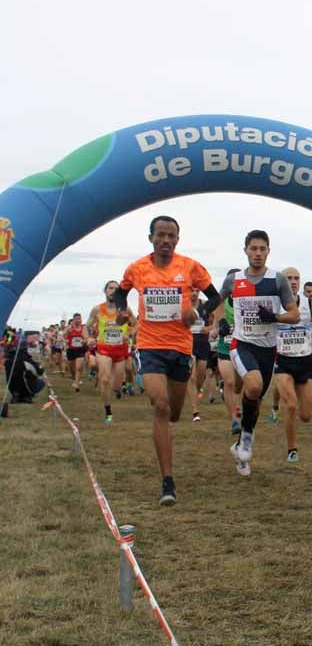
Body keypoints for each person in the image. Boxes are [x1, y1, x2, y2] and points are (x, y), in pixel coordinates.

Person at [114, 215, 219, 506]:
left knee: (173, 412)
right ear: (151, 238)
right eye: (160, 235)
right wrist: (122, 312)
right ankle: (167, 481)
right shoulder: (137, 268)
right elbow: (121, 295)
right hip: (149, 347)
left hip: (181, 348)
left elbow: (215, 296)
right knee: (160, 406)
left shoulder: (189, 267)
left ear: (177, 240)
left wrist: (196, 314)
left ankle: (169, 430)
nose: (166, 241)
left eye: (171, 236)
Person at [217, 229, 298, 476]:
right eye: (254, 248)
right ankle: (247, 438)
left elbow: (294, 315)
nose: (258, 253)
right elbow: (218, 302)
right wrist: (219, 321)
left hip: (267, 348)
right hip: (241, 343)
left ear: (268, 251)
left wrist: (274, 316)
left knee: (256, 396)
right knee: (252, 386)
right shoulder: (234, 280)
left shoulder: (277, 280)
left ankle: (243, 441)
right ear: (246, 251)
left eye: (262, 249)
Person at [273, 267, 312, 463]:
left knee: (305, 415)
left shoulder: (308, 303)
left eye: (296, 278)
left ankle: (295, 425)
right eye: (289, 278)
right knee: (292, 405)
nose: (293, 282)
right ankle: (292, 448)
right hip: (282, 361)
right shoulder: (275, 303)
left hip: (303, 362)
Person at [86, 280, 136, 424]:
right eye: (110, 288)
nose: (113, 291)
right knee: (104, 378)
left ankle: (119, 389)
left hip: (120, 351)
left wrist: (130, 334)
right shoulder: (97, 309)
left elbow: (137, 324)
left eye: (116, 288)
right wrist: (88, 337)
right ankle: (108, 411)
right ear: (105, 291)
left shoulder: (126, 309)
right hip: (103, 349)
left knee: (116, 385)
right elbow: (86, 326)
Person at [214, 268, 242, 434]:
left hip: (243, 348)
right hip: (225, 347)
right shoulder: (221, 301)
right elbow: (216, 320)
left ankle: (236, 404)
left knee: (239, 385)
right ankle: (234, 419)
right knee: (230, 383)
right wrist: (218, 327)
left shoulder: (248, 299)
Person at [186, 290, 212, 423]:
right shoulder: (183, 305)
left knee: (201, 375)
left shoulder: (206, 305)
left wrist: (208, 329)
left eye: (197, 290)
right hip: (188, 344)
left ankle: (197, 390)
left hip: (202, 344)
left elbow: (216, 321)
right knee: (192, 376)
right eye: (192, 290)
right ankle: (195, 411)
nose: (194, 293)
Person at [64, 313, 87, 392]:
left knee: (78, 368)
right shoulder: (70, 328)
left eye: (79, 319)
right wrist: (67, 332)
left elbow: (85, 337)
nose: (78, 320)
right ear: (73, 320)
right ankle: (74, 378)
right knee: (72, 368)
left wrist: (84, 341)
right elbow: (64, 336)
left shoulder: (83, 328)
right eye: (76, 319)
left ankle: (76, 384)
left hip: (80, 350)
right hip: (70, 350)